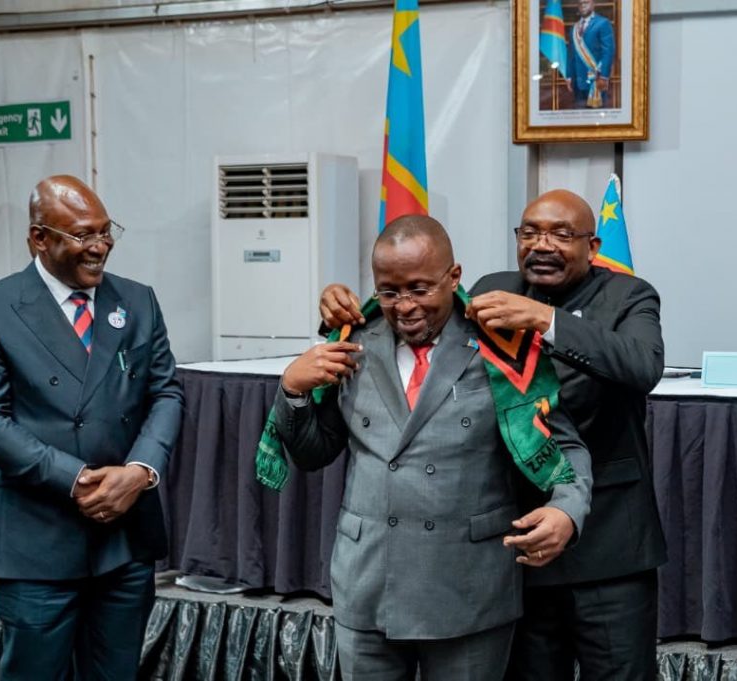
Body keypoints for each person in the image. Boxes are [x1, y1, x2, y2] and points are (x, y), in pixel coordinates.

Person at [318, 190, 666, 680]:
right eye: (530, 233)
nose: (542, 245)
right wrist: (337, 311)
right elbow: (413, 304)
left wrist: (545, 321)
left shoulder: (629, 296)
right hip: (511, 547)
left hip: (605, 546)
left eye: (561, 234)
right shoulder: (492, 287)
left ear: (592, 246)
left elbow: (643, 366)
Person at [275, 215, 592, 680]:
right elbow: (312, 453)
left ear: (454, 276)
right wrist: (292, 390)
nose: (405, 306)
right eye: (389, 292)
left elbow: (563, 445)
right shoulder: (353, 344)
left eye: (420, 289)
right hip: (368, 586)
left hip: (468, 589)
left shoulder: (500, 347)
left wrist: (566, 509)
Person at [0, 175, 184, 679]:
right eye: (82, 235)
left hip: (123, 541)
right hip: (36, 544)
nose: (100, 246)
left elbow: (166, 393)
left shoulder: (137, 301)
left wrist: (139, 472)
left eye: (105, 231)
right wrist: (76, 480)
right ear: (39, 238)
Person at [564, 0, 615, 109]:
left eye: (586, 2)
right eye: (580, 3)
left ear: (593, 4)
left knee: (597, 116)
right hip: (577, 81)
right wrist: (569, 76)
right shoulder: (574, 28)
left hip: (596, 80)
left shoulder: (603, 23)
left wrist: (604, 76)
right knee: (579, 117)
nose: (583, 5)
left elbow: (608, 52)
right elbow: (571, 54)